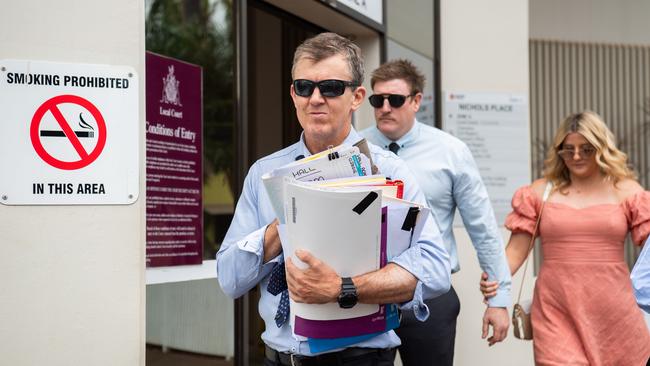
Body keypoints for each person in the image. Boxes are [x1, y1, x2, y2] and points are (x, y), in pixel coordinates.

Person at [216, 32, 451, 366]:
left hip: (358, 359)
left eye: (330, 87)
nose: (315, 98)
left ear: (356, 97)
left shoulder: (390, 171)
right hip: (278, 358)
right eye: (304, 87)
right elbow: (229, 279)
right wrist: (282, 227)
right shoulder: (263, 174)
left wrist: (344, 288)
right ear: (292, 95)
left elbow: (435, 269)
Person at [359, 59, 512, 365]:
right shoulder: (355, 149)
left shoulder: (451, 152)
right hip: (366, 296)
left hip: (428, 296)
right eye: (378, 100)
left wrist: (499, 299)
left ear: (416, 101)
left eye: (396, 100)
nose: (385, 108)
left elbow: (482, 228)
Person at [481, 111, 650, 365]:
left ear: (602, 149)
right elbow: (515, 252)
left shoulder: (627, 191)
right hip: (556, 310)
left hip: (614, 313)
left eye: (586, 149)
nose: (577, 156)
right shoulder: (541, 192)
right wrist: (495, 285)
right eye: (568, 150)